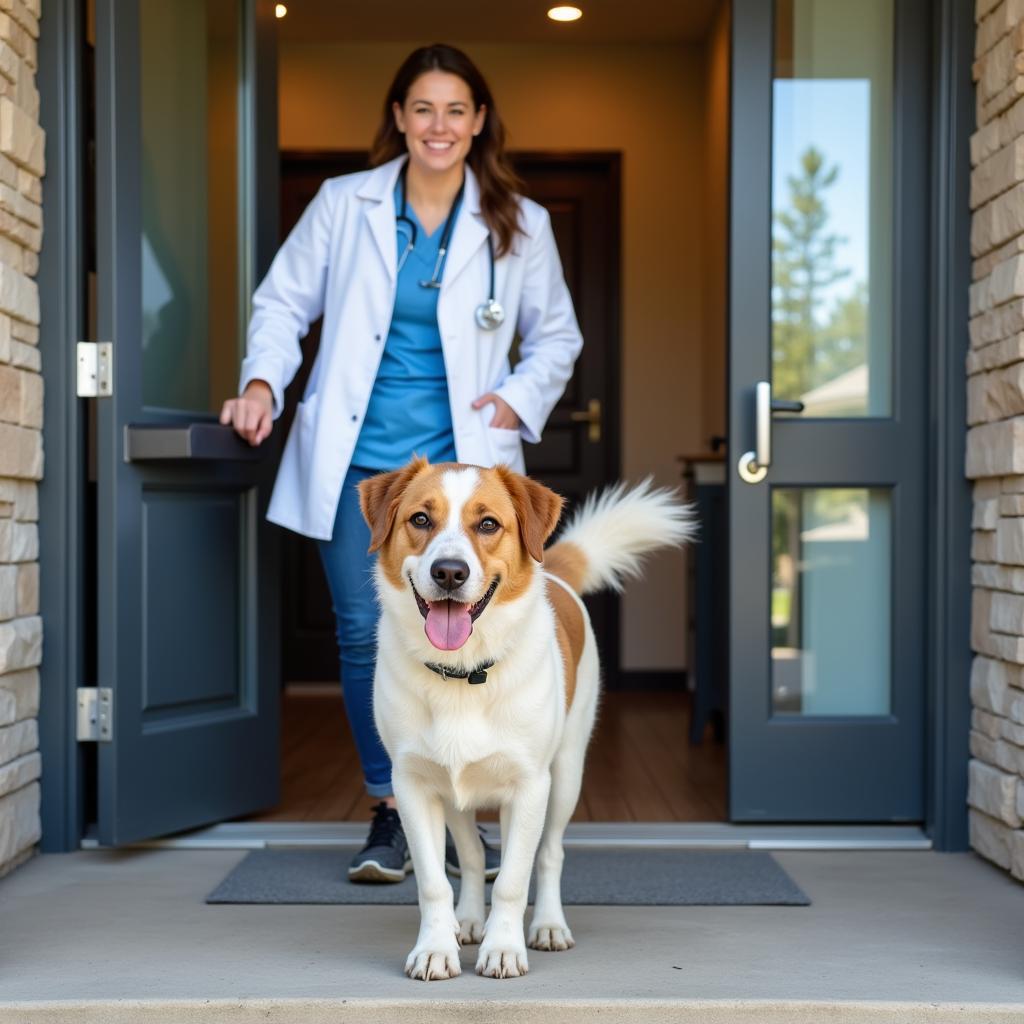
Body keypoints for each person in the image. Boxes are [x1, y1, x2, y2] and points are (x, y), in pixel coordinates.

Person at [220, 43, 583, 882]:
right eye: (423, 109)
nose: (439, 126)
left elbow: (558, 334)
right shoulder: (344, 205)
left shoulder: (519, 222)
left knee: (479, 633)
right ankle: (391, 807)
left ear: (480, 121)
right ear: (398, 118)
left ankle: (470, 814)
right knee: (365, 632)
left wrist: (516, 400)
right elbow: (282, 302)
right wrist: (263, 381)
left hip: (471, 465)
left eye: (456, 110)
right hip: (361, 465)